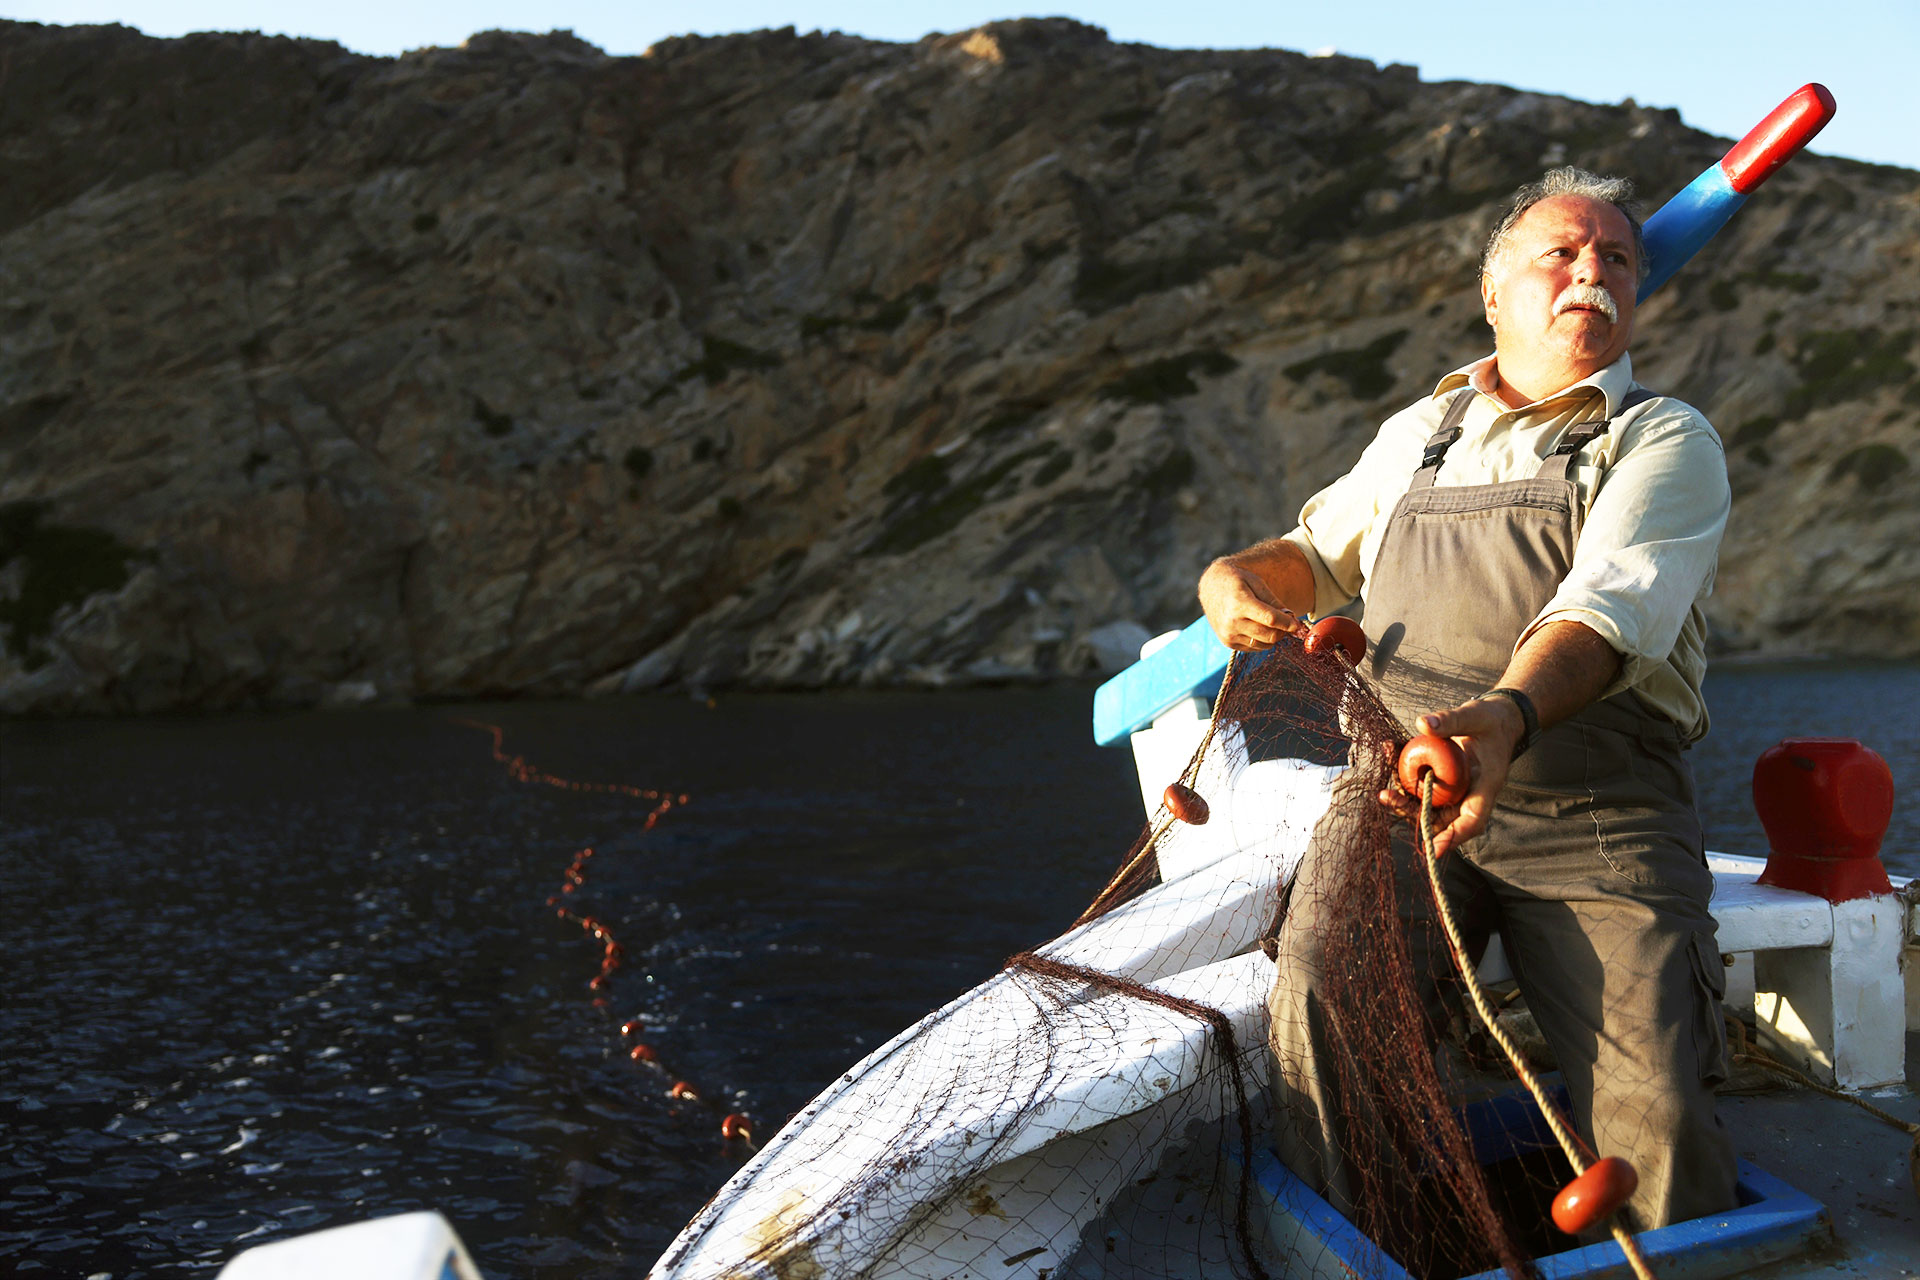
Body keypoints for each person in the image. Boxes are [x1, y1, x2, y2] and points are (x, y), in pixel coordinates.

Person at [1197, 167, 1739, 1232]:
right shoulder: (1418, 431)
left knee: (1659, 1112)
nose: (1593, 271)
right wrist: (1235, 577)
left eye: (1617, 258)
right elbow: (1314, 555)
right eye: (1562, 253)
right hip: (1397, 794)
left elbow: (1605, 610)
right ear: (1493, 295)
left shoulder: (1665, 438)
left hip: (1597, 810)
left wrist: (1502, 719)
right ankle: (1367, 1240)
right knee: (1325, 1002)